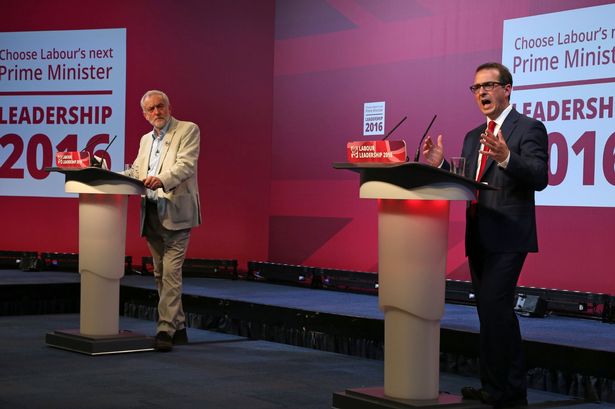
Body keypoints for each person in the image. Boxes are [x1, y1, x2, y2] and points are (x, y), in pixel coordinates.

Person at [422, 62, 548, 408]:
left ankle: (511, 391)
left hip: (509, 234)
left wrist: (507, 157)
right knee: (489, 313)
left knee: (497, 310)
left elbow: (539, 176)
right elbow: (468, 180)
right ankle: (494, 387)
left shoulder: (529, 128)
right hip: (478, 235)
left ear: (507, 89)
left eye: (489, 85)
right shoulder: (472, 135)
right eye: (476, 88)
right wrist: (442, 166)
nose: (482, 93)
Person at [127, 90, 201, 352]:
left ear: (169, 106)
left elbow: (186, 166)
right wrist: (105, 172)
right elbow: (137, 171)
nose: (157, 112)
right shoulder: (145, 139)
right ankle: (179, 327)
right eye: (151, 109)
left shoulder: (188, 130)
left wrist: (162, 179)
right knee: (160, 275)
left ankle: (165, 330)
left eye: (161, 106)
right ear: (145, 115)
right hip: (151, 212)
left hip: (177, 213)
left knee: (171, 274)